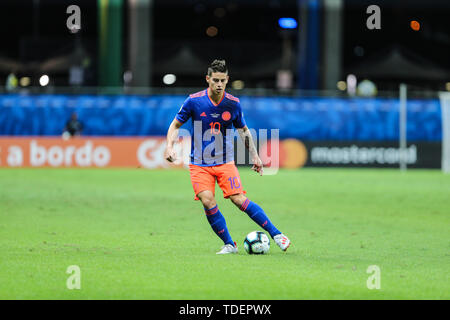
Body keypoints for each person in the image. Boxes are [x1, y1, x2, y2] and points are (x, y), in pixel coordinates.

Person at [164, 59, 291, 254]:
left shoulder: (233, 104)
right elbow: (175, 125)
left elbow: (244, 131)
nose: (219, 84)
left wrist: (255, 156)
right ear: (207, 79)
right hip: (199, 163)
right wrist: (169, 147)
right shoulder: (194, 101)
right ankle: (229, 244)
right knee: (207, 200)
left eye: (223, 80)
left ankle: (277, 235)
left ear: (227, 80)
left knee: (238, 199)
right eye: (215, 80)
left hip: (225, 161)